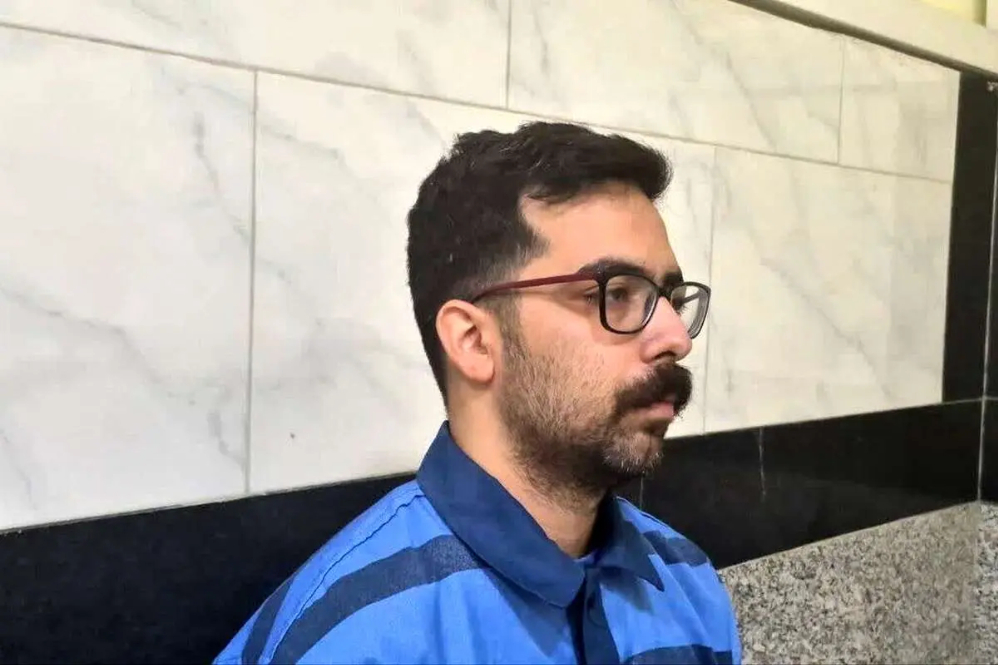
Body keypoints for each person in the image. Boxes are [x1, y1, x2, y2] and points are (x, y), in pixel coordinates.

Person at [215, 121, 741, 664]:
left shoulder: (687, 586)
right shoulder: (351, 639)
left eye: (671, 298)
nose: (676, 338)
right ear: (473, 341)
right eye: (617, 294)